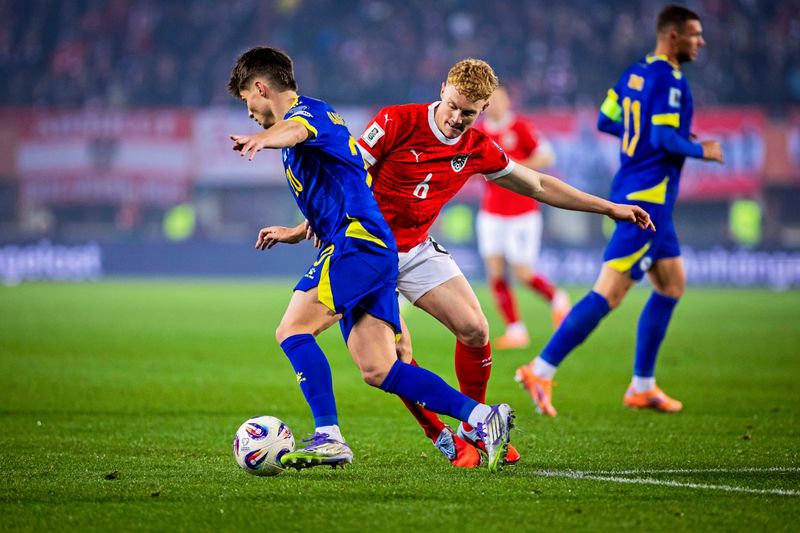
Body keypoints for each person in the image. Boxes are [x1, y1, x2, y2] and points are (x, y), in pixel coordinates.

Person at [228, 46, 515, 473]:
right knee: (380, 367)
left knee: (292, 330)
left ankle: (329, 436)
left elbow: (297, 131)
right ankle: (480, 417)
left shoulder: (309, 114)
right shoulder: (309, 121)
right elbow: (339, 174)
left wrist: (262, 139)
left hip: (356, 241)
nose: (249, 112)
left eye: (247, 101)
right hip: (368, 243)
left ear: (260, 87)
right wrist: (299, 229)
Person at [355, 58, 655, 467]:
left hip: (415, 247)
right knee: (397, 352)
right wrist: (314, 222)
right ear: (443, 88)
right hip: (365, 249)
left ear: (485, 108)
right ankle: (440, 434)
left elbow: (538, 183)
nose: (458, 118)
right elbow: (349, 174)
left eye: (470, 112)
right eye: (454, 106)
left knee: (476, 329)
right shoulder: (396, 121)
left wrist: (608, 208)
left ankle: (474, 427)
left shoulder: (476, 146)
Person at [515, 4, 724, 417]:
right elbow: (665, 138)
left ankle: (642, 386)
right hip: (645, 200)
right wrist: (701, 148)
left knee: (671, 286)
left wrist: (643, 132)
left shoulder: (634, 73)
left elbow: (606, 120)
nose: (701, 42)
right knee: (608, 293)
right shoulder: (670, 78)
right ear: (673, 37)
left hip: (643, 194)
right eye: (696, 34)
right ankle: (540, 369)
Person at [475, 85, 571, 351]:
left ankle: (558, 298)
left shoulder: (520, 127)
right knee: (495, 271)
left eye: (499, 99)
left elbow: (547, 155)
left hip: (522, 213)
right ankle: (516, 330)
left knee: (522, 273)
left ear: (508, 101)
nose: (494, 104)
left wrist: (513, 168)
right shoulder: (480, 131)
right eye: (489, 100)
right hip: (490, 212)